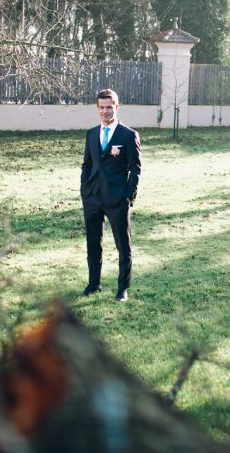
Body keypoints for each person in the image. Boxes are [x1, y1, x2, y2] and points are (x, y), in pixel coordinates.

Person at [80, 88, 142, 302]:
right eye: (102, 107)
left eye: (110, 107)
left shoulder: (128, 135)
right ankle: (93, 284)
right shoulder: (90, 134)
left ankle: (122, 288)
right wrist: (84, 190)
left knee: (123, 245)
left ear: (117, 107)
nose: (106, 111)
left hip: (117, 199)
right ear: (97, 108)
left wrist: (128, 194)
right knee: (93, 243)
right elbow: (87, 164)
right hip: (93, 198)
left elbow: (135, 168)